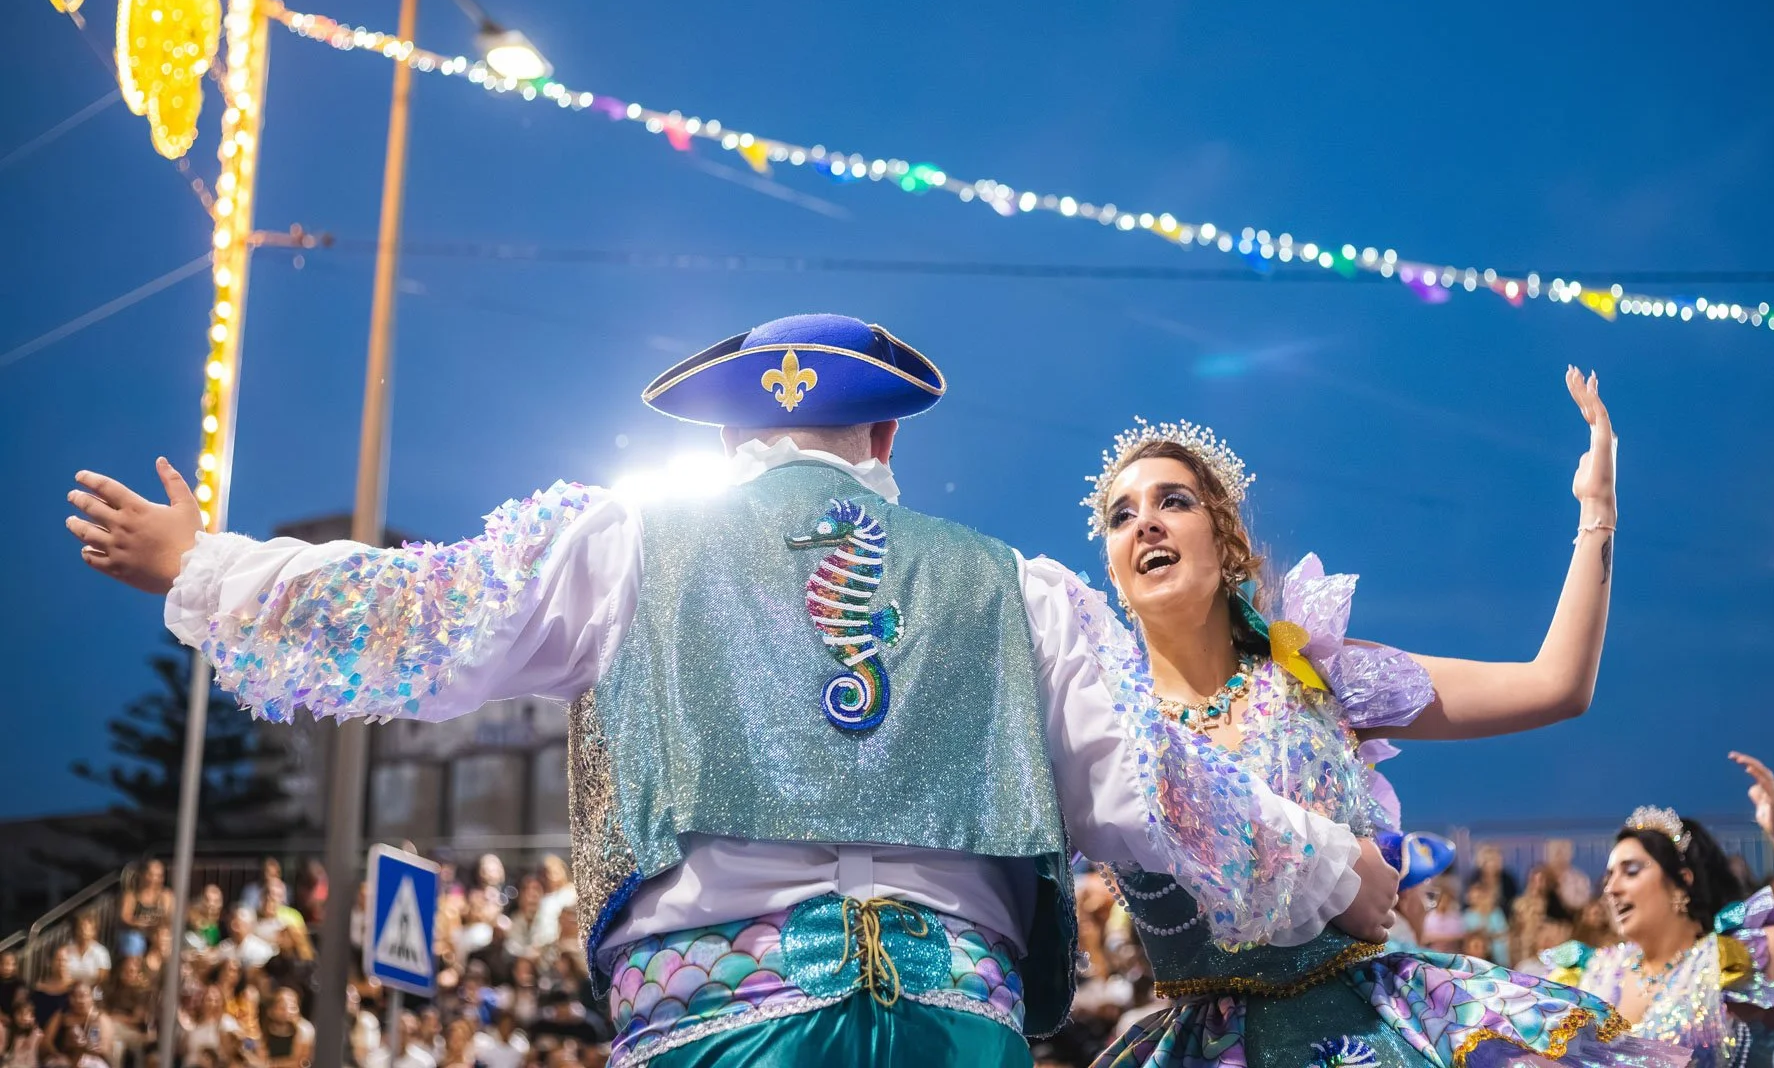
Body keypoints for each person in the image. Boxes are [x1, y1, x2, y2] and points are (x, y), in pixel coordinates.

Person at [65, 313, 1396, 1068]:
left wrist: (208, 565)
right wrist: (1335, 868)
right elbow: (1158, 793)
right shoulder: (1022, 593)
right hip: (952, 1024)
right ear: (886, 436)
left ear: (723, 436)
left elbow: (419, 620)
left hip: (717, 1018)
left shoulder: (624, 544)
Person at [1081, 371, 1683, 1067]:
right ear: (1116, 572)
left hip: (1371, 1035)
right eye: (1121, 516)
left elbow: (1556, 685)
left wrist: (1597, 511)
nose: (1145, 522)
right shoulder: (1099, 732)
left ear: (1226, 542)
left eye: (1172, 501)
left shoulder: (1318, 676)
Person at [1549, 756, 1774, 1067]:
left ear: (1681, 883)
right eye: (1609, 877)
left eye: (1631, 871)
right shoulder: (1594, 972)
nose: (1611, 889)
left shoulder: (1729, 960)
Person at [117, 861, 171, 959]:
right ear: (143, 875)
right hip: (136, 933)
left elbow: (169, 917)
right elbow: (125, 916)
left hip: (157, 933)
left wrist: (157, 922)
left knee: (166, 942)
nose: (154, 879)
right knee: (134, 941)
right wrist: (138, 923)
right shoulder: (132, 895)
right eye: (151, 875)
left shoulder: (166, 895)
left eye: (158, 876)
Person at [261, 987, 313, 1068]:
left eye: (292, 1007)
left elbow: (299, 1061)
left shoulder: (304, 1030)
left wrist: (272, 1064)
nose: (287, 1011)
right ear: (271, 1011)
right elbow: (261, 1057)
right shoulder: (264, 1029)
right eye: (282, 1007)